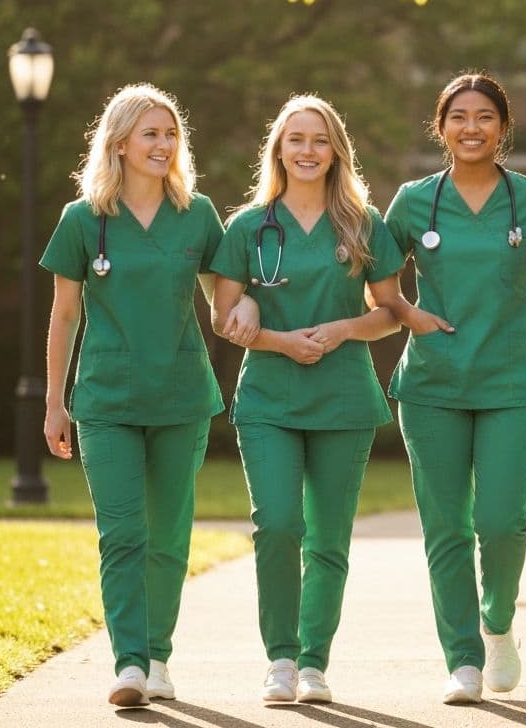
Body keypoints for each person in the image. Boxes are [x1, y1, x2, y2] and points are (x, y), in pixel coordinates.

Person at [381, 72, 526, 705]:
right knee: (446, 526)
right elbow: (377, 279)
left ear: (503, 129)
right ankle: (463, 660)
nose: (470, 128)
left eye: (484, 117)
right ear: (440, 126)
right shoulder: (412, 202)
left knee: (502, 522)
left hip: (509, 380)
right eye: (458, 117)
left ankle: (497, 624)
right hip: (431, 384)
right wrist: (406, 311)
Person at [41, 84, 257, 707]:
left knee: (168, 534)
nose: (163, 145)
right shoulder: (83, 219)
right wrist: (55, 403)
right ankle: (129, 663)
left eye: (170, 134)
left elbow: (227, 293)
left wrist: (246, 302)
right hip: (105, 400)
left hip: (181, 396)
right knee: (122, 534)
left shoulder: (198, 213)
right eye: (150, 135)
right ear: (119, 144)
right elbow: (63, 315)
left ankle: (158, 656)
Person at [209, 94, 404, 705]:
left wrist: (346, 329)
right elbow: (223, 315)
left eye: (319, 140)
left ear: (336, 151)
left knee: (328, 537)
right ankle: (281, 659)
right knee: (277, 525)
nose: (308, 151)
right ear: (278, 149)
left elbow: (391, 313)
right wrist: (276, 338)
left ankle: (315, 661)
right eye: (296, 139)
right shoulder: (247, 226)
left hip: (343, 397)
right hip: (269, 396)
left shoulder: (364, 224)